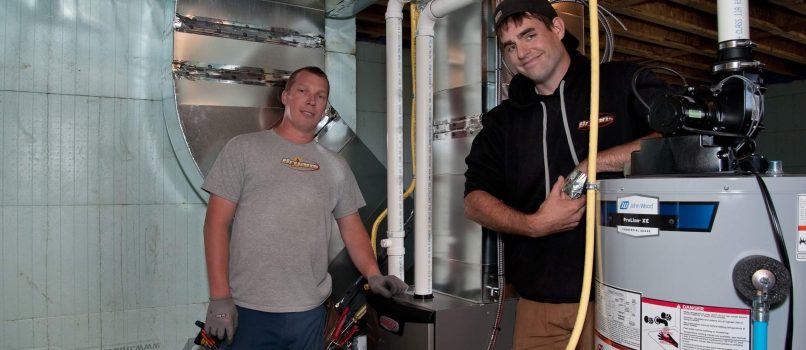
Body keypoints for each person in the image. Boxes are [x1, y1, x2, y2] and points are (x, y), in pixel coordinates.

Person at [463, 1, 666, 349]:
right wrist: (534, 225)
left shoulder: (621, 84)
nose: (521, 52)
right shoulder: (502, 123)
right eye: (510, 46)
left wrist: (592, 164)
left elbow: (676, 139)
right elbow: (474, 201)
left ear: (557, 29)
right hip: (540, 307)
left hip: (625, 300)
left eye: (529, 35)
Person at [202, 66, 408, 349]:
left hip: (309, 313)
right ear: (285, 96)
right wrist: (219, 296)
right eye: (303, 91)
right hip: (248, 309)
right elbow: (216, 223)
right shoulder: (243, 149)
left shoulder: (337, 167)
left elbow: (353, 229)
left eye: (321, 96)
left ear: (325, 106)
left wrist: (373, 274)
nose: (312, 101)